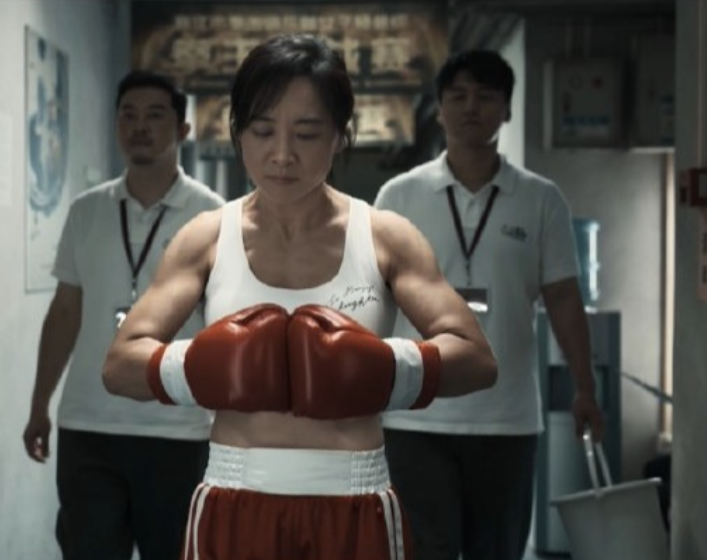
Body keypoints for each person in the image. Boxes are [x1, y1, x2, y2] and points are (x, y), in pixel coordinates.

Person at [102, 34, 498, 560]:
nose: (282, 155)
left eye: (307, 133)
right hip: (234, 494)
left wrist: (386, 369)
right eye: (263, 130)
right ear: (238, 131)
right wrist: (198, 368)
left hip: (353, 498)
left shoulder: (384, 236)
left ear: (340, 135)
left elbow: (476, 359)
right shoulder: (206, 237)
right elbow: (120, 366)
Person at [373, 49, 606, 560]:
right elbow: (373, 295)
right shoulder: (399, 196)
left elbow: (564, 297)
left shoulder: (540, 199)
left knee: (498, 550)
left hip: (507, 418)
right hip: (416, 415)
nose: (471, 107)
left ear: (508, 108)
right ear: (440, 109)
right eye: (458, 96)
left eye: (485, 96)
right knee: (424, 551)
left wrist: (585, 386)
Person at [22, 70, 223, 560]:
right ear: (116, 126)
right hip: (89, 426)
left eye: (155, 115)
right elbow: (65, 312)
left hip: (177, 428)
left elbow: (223, 324)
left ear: (182, 129)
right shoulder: (86, 211)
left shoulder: (213, 215)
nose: (140, 127)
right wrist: (39, 405)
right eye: (128, 116)